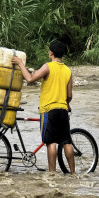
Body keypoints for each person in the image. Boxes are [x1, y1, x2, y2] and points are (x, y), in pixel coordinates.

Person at [12, 40, 75, 174]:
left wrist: (20, 63)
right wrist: (66, 105)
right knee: (66, 142)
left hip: (48, 110)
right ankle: (73, 174)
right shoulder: (68, 71)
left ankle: (52, 173)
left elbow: (29, 79)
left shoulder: (48, 67)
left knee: (50, 142)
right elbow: (69, 95)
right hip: (63, 109)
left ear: (51, 53)